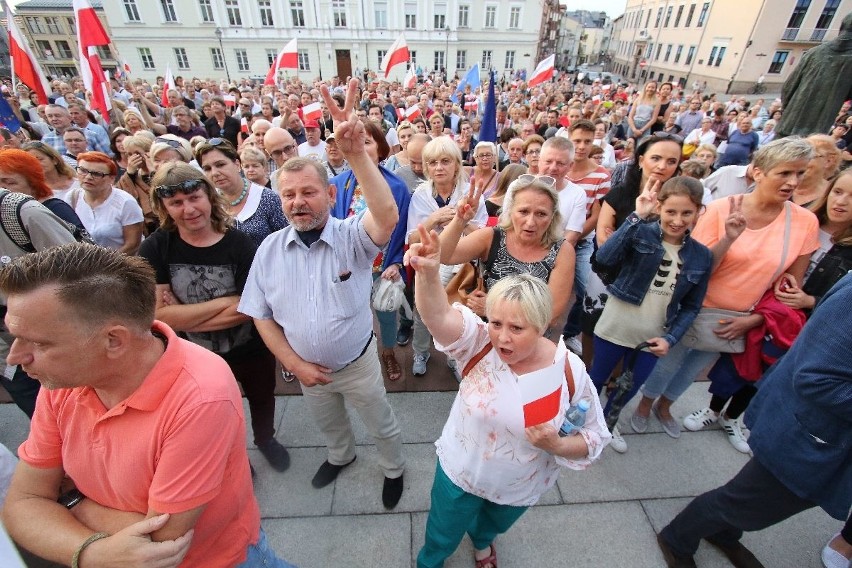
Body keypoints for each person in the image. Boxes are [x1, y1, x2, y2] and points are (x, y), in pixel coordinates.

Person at [0, 244, 295, 567]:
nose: (15, 357)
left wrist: (67, 500)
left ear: (114, 340)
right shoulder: (64, 380)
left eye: (40, 343)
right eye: (14, 337)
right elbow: (20, 506)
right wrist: (92, 552)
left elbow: (160, 542)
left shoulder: (199, 396)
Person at [239, 79, 406, 509]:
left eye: (309, 192)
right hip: (307, 371)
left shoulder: (352, 237)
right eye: (289, 194)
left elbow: (386, 216)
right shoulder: (269, 251)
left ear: (331, 195)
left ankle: (393, 468)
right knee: (329, 425)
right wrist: (293, 363)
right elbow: (261, 315)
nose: (298, 202)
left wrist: (355, 155)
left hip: (357, 364)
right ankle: (341, 456)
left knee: (380, 422)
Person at [408, 227, 609, 568]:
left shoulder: (569, 370)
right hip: (462, 472)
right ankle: (431, 561)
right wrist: (427, 274)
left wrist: (558, 446)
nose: (502, 337)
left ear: (542, 323)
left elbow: (594, 436)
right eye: (497, 322)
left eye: (517, 328)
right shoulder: (479, 341)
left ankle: (483, 542)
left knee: (491, 525)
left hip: (519, 485)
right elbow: (438, 317)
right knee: (442, 531)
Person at [656, 272, 852, 568]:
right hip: (809, 435)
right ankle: (678, 537)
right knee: (748, 500)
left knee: (757, 501)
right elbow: (815, 378)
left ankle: (724, 531)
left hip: (826, 439)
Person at [638, 138, 820, 448]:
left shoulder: (804, 222)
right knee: (668, 361)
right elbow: (696, 268)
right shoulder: (722, 209)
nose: (793, 182)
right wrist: (730, 239)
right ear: (758, 172)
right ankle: (644, 405)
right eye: (784, 173)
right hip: (693, 307)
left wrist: (753, 320)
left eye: (800, 174)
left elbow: (790, 289)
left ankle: (666, 407)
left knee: (694, 368)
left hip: (738, 317)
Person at [139, 163, 290, 473]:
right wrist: (230, 301)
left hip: (249, 347)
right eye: (176, 203)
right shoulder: (156, 247)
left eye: (194, 197)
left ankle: (265, 439)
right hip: (192, 355)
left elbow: (250, 308)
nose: (189, 209)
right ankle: (234, 456)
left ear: (208, 196)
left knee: (262, 397)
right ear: (164, 207)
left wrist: (181, 314)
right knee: (213, 409)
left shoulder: (239, 243)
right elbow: (158, 315)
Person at [590, 177, 713, 453]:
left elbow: (692, 306)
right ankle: (584, 420)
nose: (678, 220)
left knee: (629, 387)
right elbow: (604, 258)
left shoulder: (701, 256)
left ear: (698, 212)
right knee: (596, 377)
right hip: (616, 324)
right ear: (660, 207)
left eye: (686, 213)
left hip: (653, 337)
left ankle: (608, 424)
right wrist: (636, 216)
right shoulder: (640, 231)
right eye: (671, 211)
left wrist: (671, 338)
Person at [584, 133, 684, 367]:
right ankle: (585, 371)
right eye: (656, 158)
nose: (662, 166)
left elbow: (672, 245)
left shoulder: (677, 204)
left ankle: (614, 376)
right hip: (605, 276)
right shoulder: (619, 194)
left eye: (671, 161)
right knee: (591, 324)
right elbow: (605, 247)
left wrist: (624, 239)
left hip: (645, 281)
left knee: (627, 336)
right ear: (641, 160)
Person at [438, 174, 575, 336]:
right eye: (523, 211)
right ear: (510, 211)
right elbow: (443, 256)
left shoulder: (562, 251)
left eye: (541, 214)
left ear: (552, 217)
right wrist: (460, 220)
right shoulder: (492, 237)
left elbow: (551, 314)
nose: (530, 222)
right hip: (486, 337)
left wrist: (492, 309)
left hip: (530, 343)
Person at [329, 120, 411, 383]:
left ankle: (388, 352)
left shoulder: (397, 187)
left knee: (386, 315)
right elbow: (330, 226)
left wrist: (397, 263)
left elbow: (405, 231)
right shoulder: (337, 183)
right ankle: (355, 356)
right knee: (350, 314)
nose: (361, 149)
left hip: (381, 267)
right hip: (348, 266)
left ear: (381, 148)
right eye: (357, 143)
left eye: (367, 142)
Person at [406, 137, 488, 376]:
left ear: (456, 164)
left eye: (445, 161)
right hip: (432, 264)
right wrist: (433, 220)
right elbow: (412, 239)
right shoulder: (421, 194)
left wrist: (461, 220)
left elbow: (483, 235)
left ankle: (456, 356)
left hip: (463, 262)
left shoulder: (469, 193)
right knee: (424, 311)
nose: (439, 168)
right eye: (432, 162)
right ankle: (421, 351)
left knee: (460, 311)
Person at [195, 138, 287, 246]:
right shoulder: (210, 202)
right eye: (207, 168)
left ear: (237, 164)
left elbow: (286, 242)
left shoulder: (268, 198)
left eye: (220, 165)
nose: (215, 173)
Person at [776, 13, 852, 138]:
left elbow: (788, 87)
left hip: (788, 124)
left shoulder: (815, 52)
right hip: (815, 133)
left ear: (842, 27)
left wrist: (788, 111)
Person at [65, 151, 144, 255]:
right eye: (83, 170)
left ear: (111, 178)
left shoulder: (126, 202)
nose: (88, 177)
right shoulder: (72, 198)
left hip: (120, 265)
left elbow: (132, 245)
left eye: (97, 174)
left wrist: (104, 265)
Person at [0, 150, 84, 231]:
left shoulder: (55, 209)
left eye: (10, 183)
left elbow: (82, 243)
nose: (2, 189)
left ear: (32, 184)